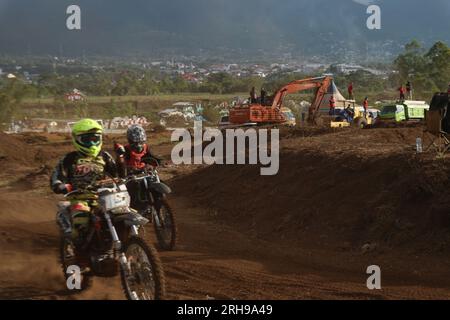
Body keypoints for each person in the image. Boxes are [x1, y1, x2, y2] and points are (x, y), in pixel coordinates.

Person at [50, 119, 117, 258]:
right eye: (87, 140)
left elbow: (119, 175)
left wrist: (121, 158)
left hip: (104, 197)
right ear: (77, 140)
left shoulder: (104, 156)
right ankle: (78, 256)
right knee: (81, 222)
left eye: (95, 139)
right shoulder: (69, 159)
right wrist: (60, 185)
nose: (92, 143)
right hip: (80, 198)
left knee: (123, 213)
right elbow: (56, 176)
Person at [114, 125, 163, 210]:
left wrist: (158, 162)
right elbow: (120, 165)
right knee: (134, 189)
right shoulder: (125, 150)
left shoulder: (146, 147)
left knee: (158, 183)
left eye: (141, 142)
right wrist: (126, 166)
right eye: (136, 143)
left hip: (144, 173)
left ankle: (160, 203)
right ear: (130, 141)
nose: (138, 145)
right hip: (131, 176)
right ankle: (137, 208)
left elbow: (152, 157)